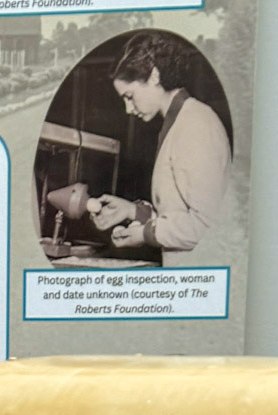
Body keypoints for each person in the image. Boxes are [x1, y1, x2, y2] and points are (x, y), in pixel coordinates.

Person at [86, 32, 232, 264]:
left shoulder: (195, 124)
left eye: (130, 96)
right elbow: (179, 214)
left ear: (154, 76)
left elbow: (207, 225)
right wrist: (132, 212)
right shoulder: (178, 123)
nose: (128, 109)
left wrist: (145, 234)